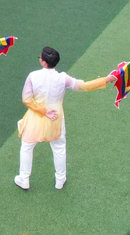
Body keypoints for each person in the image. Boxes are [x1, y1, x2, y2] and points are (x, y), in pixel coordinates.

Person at [15, 47, 114, 191]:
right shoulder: (62, 78)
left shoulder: (33, 76)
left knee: (27, 147)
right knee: (59, 148)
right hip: (55, 119)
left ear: (43, 62)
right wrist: (106, 79)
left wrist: (43, 111)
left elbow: (26, 99)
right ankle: (60, 180)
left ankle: (24, 179)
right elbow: (84, 86)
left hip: (35, 119)